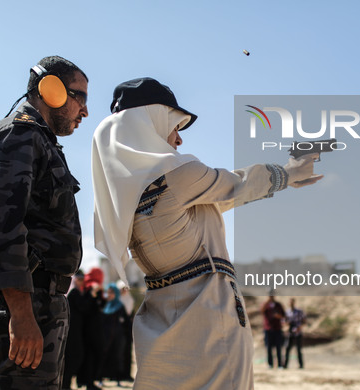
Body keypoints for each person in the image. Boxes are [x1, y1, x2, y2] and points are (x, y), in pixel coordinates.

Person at [91, 77, 322, 389]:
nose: (178, 139)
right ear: (152, 123)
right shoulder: (178, 176)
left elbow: (220, 198)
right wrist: (288, 173)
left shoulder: (122, 197)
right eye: (174, 126)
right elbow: (236, 186)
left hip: (161, 321)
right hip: (209, 316)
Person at [0, 55, 88, 390]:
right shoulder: (18, 136)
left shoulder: (39, 141)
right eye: (81, 97)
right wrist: (21, 314)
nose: (84, 111)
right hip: (21, 302)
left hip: (38, 301)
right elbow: (0, 226)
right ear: (52, 90)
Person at [101, 283, 129, 385]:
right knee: (104, 356)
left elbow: (125, 321)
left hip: (118, 337)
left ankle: (118, 379)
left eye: (112, 292)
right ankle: (101, 379)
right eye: (108, 292)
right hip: (106, 336)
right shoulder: (105, 305)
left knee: (118, 357)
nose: (109, 295)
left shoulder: (120, 306)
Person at [62, 271, 86, 389]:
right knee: (72, 358)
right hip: (72, 331)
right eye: (79, 279)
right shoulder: (74, 292)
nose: (81, 282)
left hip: (75, 331)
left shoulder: (77, 292)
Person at [262, 292, 286, 369]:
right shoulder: (266, 305)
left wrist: (278, 316)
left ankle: (279, 365)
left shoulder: (278, 305)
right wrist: (266, 302)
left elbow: (283, 315)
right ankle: (270, 364)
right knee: (268, 347)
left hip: (277, 329)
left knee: (278, 347)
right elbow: (261, 311)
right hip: (268, 329)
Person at [283, 297, 306, 369]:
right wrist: (287, 326)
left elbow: (304, 321)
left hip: (298, 333)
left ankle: (301, 365)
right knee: (287, 349)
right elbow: (284, 321)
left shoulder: (299, 312)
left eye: (292, 302)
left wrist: (299, 328)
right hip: (290, 333)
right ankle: (285, 365)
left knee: (298, 350)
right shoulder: (287, 312)